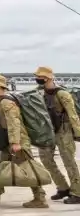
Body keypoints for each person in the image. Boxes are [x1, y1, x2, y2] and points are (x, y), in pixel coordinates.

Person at [0, 73, 49, 208]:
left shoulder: (6, 102)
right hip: (10, 141)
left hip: (19, 141)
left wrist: (16, 142)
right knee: (2, 166)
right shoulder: (0, 100)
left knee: (28, 169)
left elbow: (14, 122)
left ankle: (40, 198)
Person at [36, 66, 80, 204]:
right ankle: (63, 187)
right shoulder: (39, 93)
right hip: (48, 131)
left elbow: (73, 115)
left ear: (48, 78)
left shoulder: (62, 94)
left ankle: (77, 192)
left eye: (40, 77)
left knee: (69, 161)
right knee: (45, 159)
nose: (37, 79)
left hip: (63, 130)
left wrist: (78, 133)